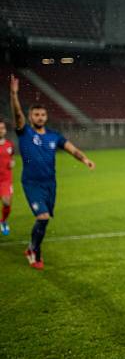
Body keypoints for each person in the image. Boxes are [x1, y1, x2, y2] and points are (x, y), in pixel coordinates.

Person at [10, 74, 95, 270]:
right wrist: (14, 95)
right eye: (36, 114)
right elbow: (17, 116)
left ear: (46, 117)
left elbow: (71, 149)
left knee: (45, 219)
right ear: (31, 117)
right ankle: (35, 253)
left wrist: (85, 160)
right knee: (43, 217)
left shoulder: (53, 136)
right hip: (32, 183)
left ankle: (32, 247)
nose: (40, 117)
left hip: (50, 184)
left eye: (42, 115)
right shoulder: (25, 132)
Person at [0, 118, 15, 235]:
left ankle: (3, 221)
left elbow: (12, 157)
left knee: (6, 203)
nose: (1, 130)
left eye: (3, 128)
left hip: (5, 180)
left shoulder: (10, 144)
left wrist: (12, 162)